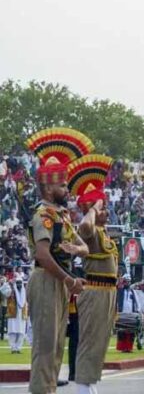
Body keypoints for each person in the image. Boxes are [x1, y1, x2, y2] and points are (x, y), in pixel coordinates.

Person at [24, 128, 91, 394]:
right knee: (45, 346)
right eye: (62, 185)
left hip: (61, 282)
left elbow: (85, 247)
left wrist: (75, 249)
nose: (67, 189)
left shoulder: (62, 216)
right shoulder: (44, 215)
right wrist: (69, 280)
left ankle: (48, 389)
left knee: (56, 347)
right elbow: (42, 254)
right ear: (49, 188)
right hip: (46, 279)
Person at [68, 153, 119, 393]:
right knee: (89, 341)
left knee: (100, 342)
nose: (106, 211)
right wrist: (93, 208)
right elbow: (85, 225)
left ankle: (89, 385)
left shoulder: (104, 232)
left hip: (108, 292)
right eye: (102, 207)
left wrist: (96, 207)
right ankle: (82, 387)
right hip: (95, 291)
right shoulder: (89, 230)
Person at [116, 275, 142, 353]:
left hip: (131, 314)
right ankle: (123, 348)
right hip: (122, 313)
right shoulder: (119, 291)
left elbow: (137, 302)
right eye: (126, 281)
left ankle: (129, 348)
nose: (127, 283)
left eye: (128, 281)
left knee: (131, 333)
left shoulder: (133, 292)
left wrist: (138, 311)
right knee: (122, 332)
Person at [7, 273, 27, 354]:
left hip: (21, 315)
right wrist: (8, 283)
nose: (19, 284)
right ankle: (13, 348)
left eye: (20, 283)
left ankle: (18, 348)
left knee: (21, 332)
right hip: (13, 314)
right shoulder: (11, 290)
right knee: (12, 332)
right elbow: (3, 291)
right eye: (17, 283)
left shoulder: (24, 292)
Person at [0, 276, 10, 340]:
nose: (2, 280)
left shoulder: (7, 287)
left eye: (3, 279)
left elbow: (7, 295)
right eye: (1, 279)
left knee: (3, 320)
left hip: (4, 305)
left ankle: (2, 335)